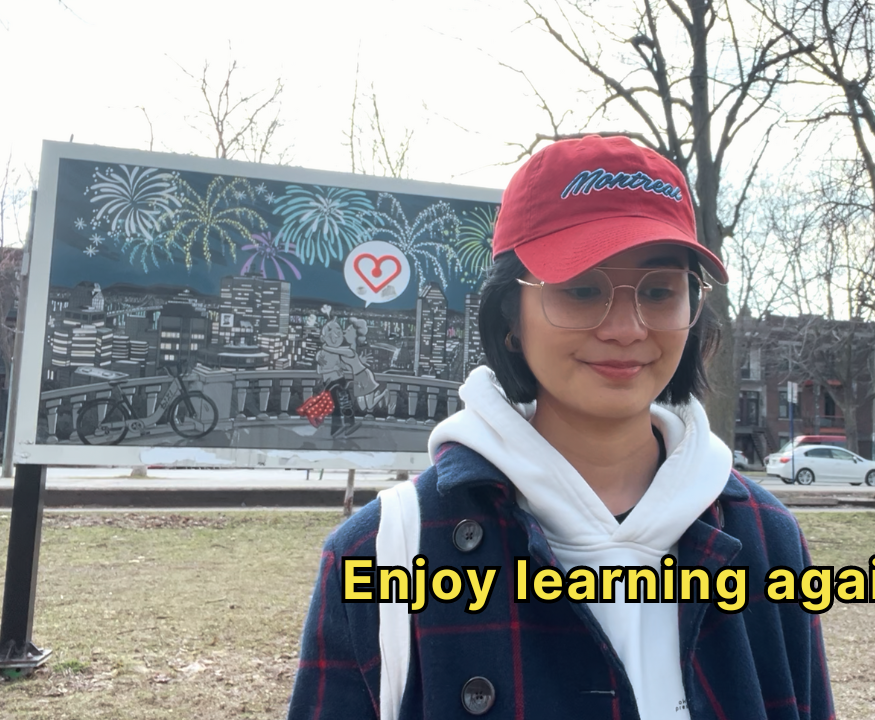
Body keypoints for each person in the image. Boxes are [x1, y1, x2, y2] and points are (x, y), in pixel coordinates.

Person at [287, 135, 834, 719]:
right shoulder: (382, 557)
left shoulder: (765, 540)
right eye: (580, 289)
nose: (626, 327)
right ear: (510, 320)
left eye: (658, 291)